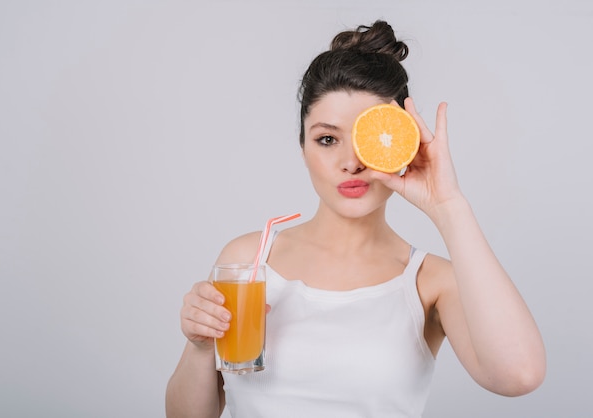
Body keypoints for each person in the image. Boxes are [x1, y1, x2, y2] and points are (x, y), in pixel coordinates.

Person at [165, 20, 546, 418]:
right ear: (303, 148)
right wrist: (199, 347)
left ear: (401, 145)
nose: (350, 163)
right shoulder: (248, 260)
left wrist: (448, 204)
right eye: (327, 139)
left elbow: (519, 375)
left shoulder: (430, 283)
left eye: (370, 140)